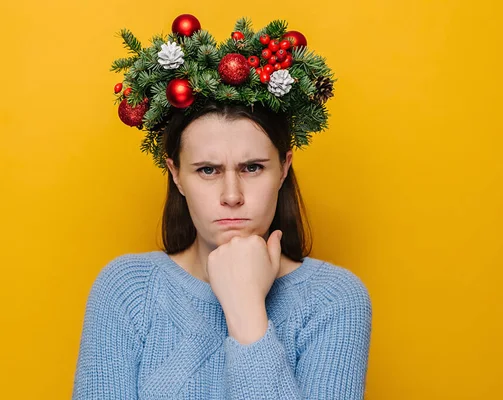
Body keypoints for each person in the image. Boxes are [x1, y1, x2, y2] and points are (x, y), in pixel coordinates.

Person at [72, 15, 372, 399]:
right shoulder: (128, 290)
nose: (232, 195)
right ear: (176, 175)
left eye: (252, 167)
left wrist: (246, 309)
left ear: (284, 169)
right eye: (208, 170)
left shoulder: (335, 300)